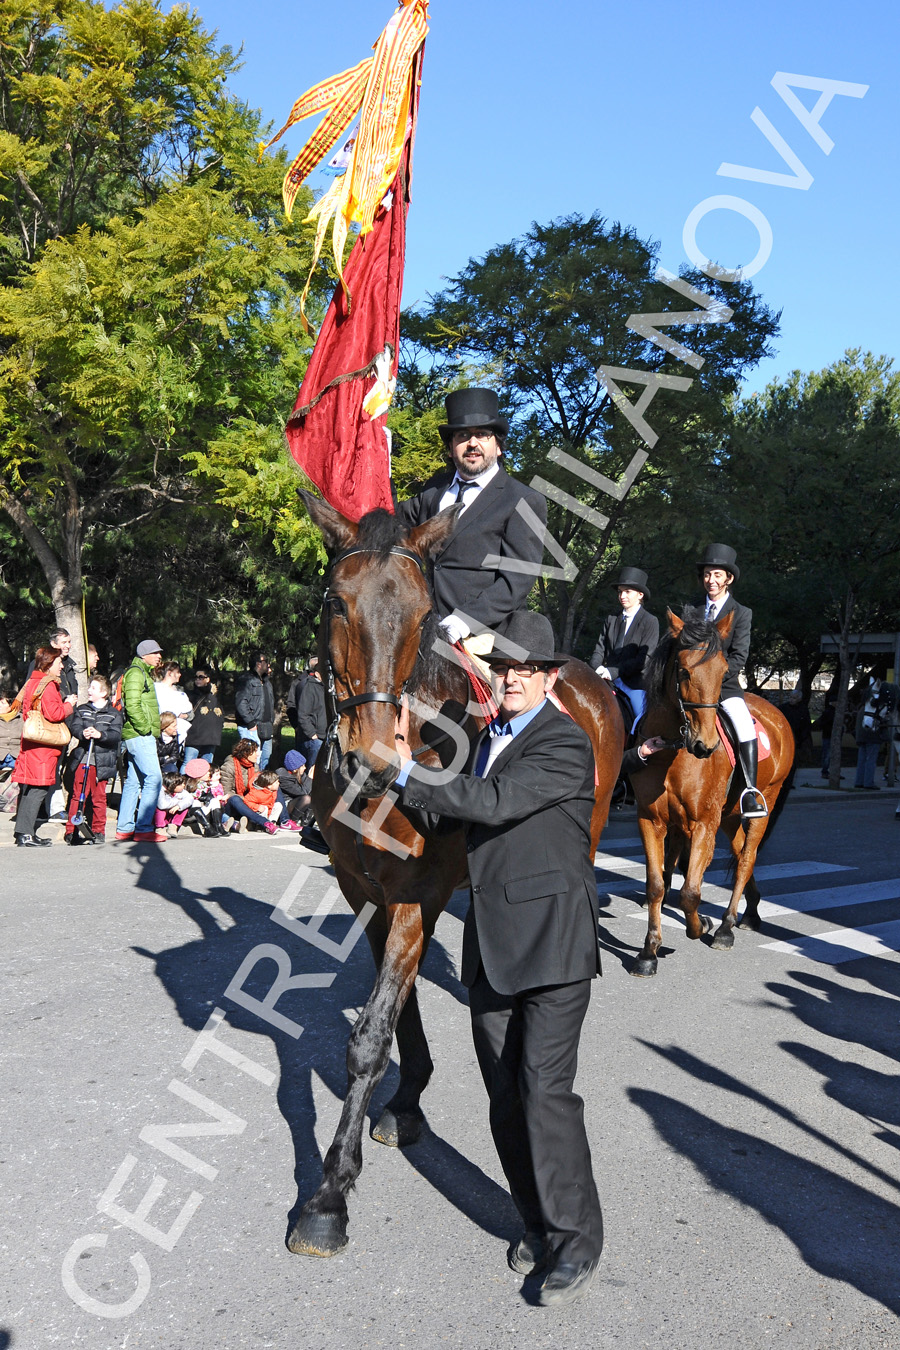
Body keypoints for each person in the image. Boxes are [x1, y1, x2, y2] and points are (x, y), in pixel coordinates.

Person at [393, 611, 604, 1307]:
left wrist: (404, 773)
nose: (513, 677)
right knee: (505, 1101)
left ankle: (576, 1240)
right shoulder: (484, 737)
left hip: (552, 945)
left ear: (549, 678)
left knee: (545, 1093)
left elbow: (496, 801)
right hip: (491, 945)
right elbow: (452, 819)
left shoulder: (566, 743)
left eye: (528, 669)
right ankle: (537, 1223)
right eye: (505, 667)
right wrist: (381, 790)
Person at [397, 388, 547, 662]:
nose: (472, 443)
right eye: (463, 436)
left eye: (482, 435)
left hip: (486, 639)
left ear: (498, 446)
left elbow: (517, 581)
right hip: (422, 634)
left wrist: (464, 620)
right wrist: (375, 458)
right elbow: (390, 519)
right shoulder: (433, 491)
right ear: (452, 448)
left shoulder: (524, 500)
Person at [696, 543, 767, 819]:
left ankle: (750, 792)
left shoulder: (742, 613)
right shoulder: (692, 608)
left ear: (729, 579)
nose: (710, 581)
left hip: (724, 687)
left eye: (716, 575)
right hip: (691, 688)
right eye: (706, 575)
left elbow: (739, 656)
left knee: (743, 726)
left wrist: (711, 677)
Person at [12, 647, 77, 847]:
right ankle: (26, 835)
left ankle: (22, 832)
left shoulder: (32, 681)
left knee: (29, 787)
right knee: (38, 788)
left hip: (32, 743)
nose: (62, 666)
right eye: (59, 663)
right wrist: (69, 705)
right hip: (44, 746)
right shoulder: (48, 685)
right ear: (49, 664)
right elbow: (54, 714)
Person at [591, 566, 659, 732]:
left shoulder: (650, 621)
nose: (622, 596)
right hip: (605, 678)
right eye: (620, 592)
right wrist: (596, 667)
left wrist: (613, 672)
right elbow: (599, 648)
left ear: (640, 595)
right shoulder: (611, 619)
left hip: (634, 683)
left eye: (627, 592)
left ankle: (638, 750)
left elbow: (644, 659)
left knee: (641, 715)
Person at [65, 675, 123, 845]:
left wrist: (100, 735)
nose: (89, 691)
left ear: (104, 693)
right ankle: (72, 830)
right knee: (77, 795)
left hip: (102, 762)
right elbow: (75, 726)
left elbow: (115, 735)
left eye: (94, 688)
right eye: (90, 687)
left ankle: (98, 831)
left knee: (98, 797)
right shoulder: (83, 709)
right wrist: (82, 733)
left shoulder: (114, 714)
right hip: (83, 758)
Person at [117, 639, 164, 842]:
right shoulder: (137, 672)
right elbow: (132, 705)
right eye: (155, 653)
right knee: (154, 778)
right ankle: (144, 828)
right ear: (144, 654)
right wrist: (145, 728)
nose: (159, 656)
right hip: (140, 734)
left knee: (133, 782)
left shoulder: (141, 671)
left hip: (135, 735)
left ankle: (125, 828)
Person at [218, 738, 278, 834]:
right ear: (245, 753)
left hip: (250, 800)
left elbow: (258, 787)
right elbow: (226, 792)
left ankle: (285, 820)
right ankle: (264, 822)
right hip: (233, 804)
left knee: (274, 785)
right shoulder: (229, 767)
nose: (257, 754)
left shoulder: (254, 766)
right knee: (234, 799)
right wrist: (247, 800)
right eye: (254, 752)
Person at [234, 651, 275, 769]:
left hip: (266, 727)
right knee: (251, 761)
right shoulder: (246, 680)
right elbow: (241, 702)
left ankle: (260, 785)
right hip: (251, 728)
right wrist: (251, 723)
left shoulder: (266, 682)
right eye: (266, 661)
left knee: (265, 760)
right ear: (258, 664)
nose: (268, 664)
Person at [182, 669, 225, 766]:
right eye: (196, 677)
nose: (197, 680)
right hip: (194, 734)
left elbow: (221, 712)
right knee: (188, 762)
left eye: (201, 677)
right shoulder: (190, 694)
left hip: (211, 734)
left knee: (207, 763)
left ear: (208, 679)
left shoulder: (215, 696)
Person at [154, 662, 193, 743]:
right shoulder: (156, 688)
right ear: (170, 673)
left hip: (178, 733)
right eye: (178, 672)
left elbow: (190, 713)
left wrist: (185, 716)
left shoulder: (179, 691)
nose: (180, 675)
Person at [295, 664, 326, 767]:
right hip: (315, 740)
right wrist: (312, 734)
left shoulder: (327, 688)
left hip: (326, 737)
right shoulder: (310, 687)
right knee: (312, 771)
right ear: (317, 674)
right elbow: (303, 714)